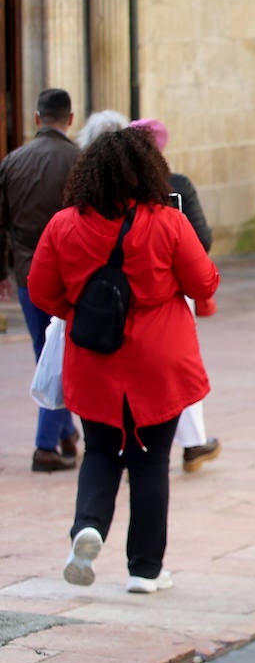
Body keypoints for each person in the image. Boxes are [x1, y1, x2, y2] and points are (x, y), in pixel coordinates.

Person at [29, 128, 220, 593]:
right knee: (151, 462)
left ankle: (88, 528)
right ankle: (145, 569)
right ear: (147, 170)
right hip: (160, 357)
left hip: (94, 356)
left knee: (100, 451)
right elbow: (204, 281)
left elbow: (40, 291)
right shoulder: (168, 222)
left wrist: (80, 309)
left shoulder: (63, 224)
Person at [129, 118, 222, 472]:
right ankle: (193, 441)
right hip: (170, 294)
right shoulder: (176, 187)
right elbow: (203, 243)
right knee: (179, 368)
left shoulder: (109, 194)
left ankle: (134, 443)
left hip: (120, 299)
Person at [0, 88, 82, 472]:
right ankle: (47, 443)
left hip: (25, 271)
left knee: (45, 349)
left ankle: (64, 431)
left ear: (36, 118)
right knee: (59, 352)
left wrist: (4, 271)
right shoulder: (79, 161)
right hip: (68, 272)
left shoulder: (12, 162)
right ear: (70, 119)